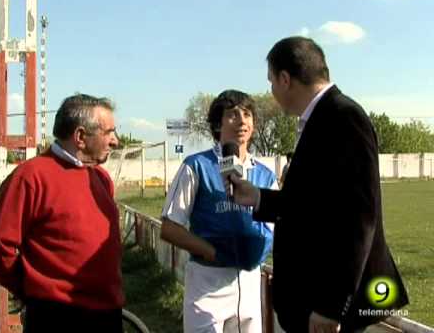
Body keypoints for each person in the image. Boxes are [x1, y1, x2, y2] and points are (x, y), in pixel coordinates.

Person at [226, 37, 408, 333]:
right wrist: (258, 197)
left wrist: (331, 306)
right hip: (309, 302)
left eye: (271, 82)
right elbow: (313, 204)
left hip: (325, 309)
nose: (271, 92)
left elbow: (358, 217)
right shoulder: (319, 119)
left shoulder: (344, 117)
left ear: (285, 79)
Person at [0, 94, 124, 332]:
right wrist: (30, 290)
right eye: (109, 132)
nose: (115, 141)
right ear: (80, 137)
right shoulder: (30, 177)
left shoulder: (101, 178)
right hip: (57, 317)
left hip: (107, 313)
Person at [160, 90, 278, 333]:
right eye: (233, 114)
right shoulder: (196, 166)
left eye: (247, 114)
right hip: (206, 281)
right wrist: (212, 253)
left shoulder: (266, 175)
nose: (242, 120)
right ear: (217, 124)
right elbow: (169, 227)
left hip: (249, 281)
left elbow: (275, 230)